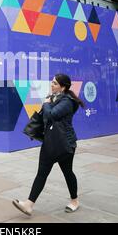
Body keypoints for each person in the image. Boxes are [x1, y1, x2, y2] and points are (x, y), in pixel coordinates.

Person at [13, 73, 85, 215]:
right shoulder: (53, 98)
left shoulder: (68, 101)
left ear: (63, 87)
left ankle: (74, 201)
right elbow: (47, 117)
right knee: (41, 173)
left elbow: (52, 115)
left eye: (54, 83)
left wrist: (46, 103)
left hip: (64, 144)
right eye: (51, 82)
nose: (51, 85)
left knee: (68, 173)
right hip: (50, 142)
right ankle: (29, 204)